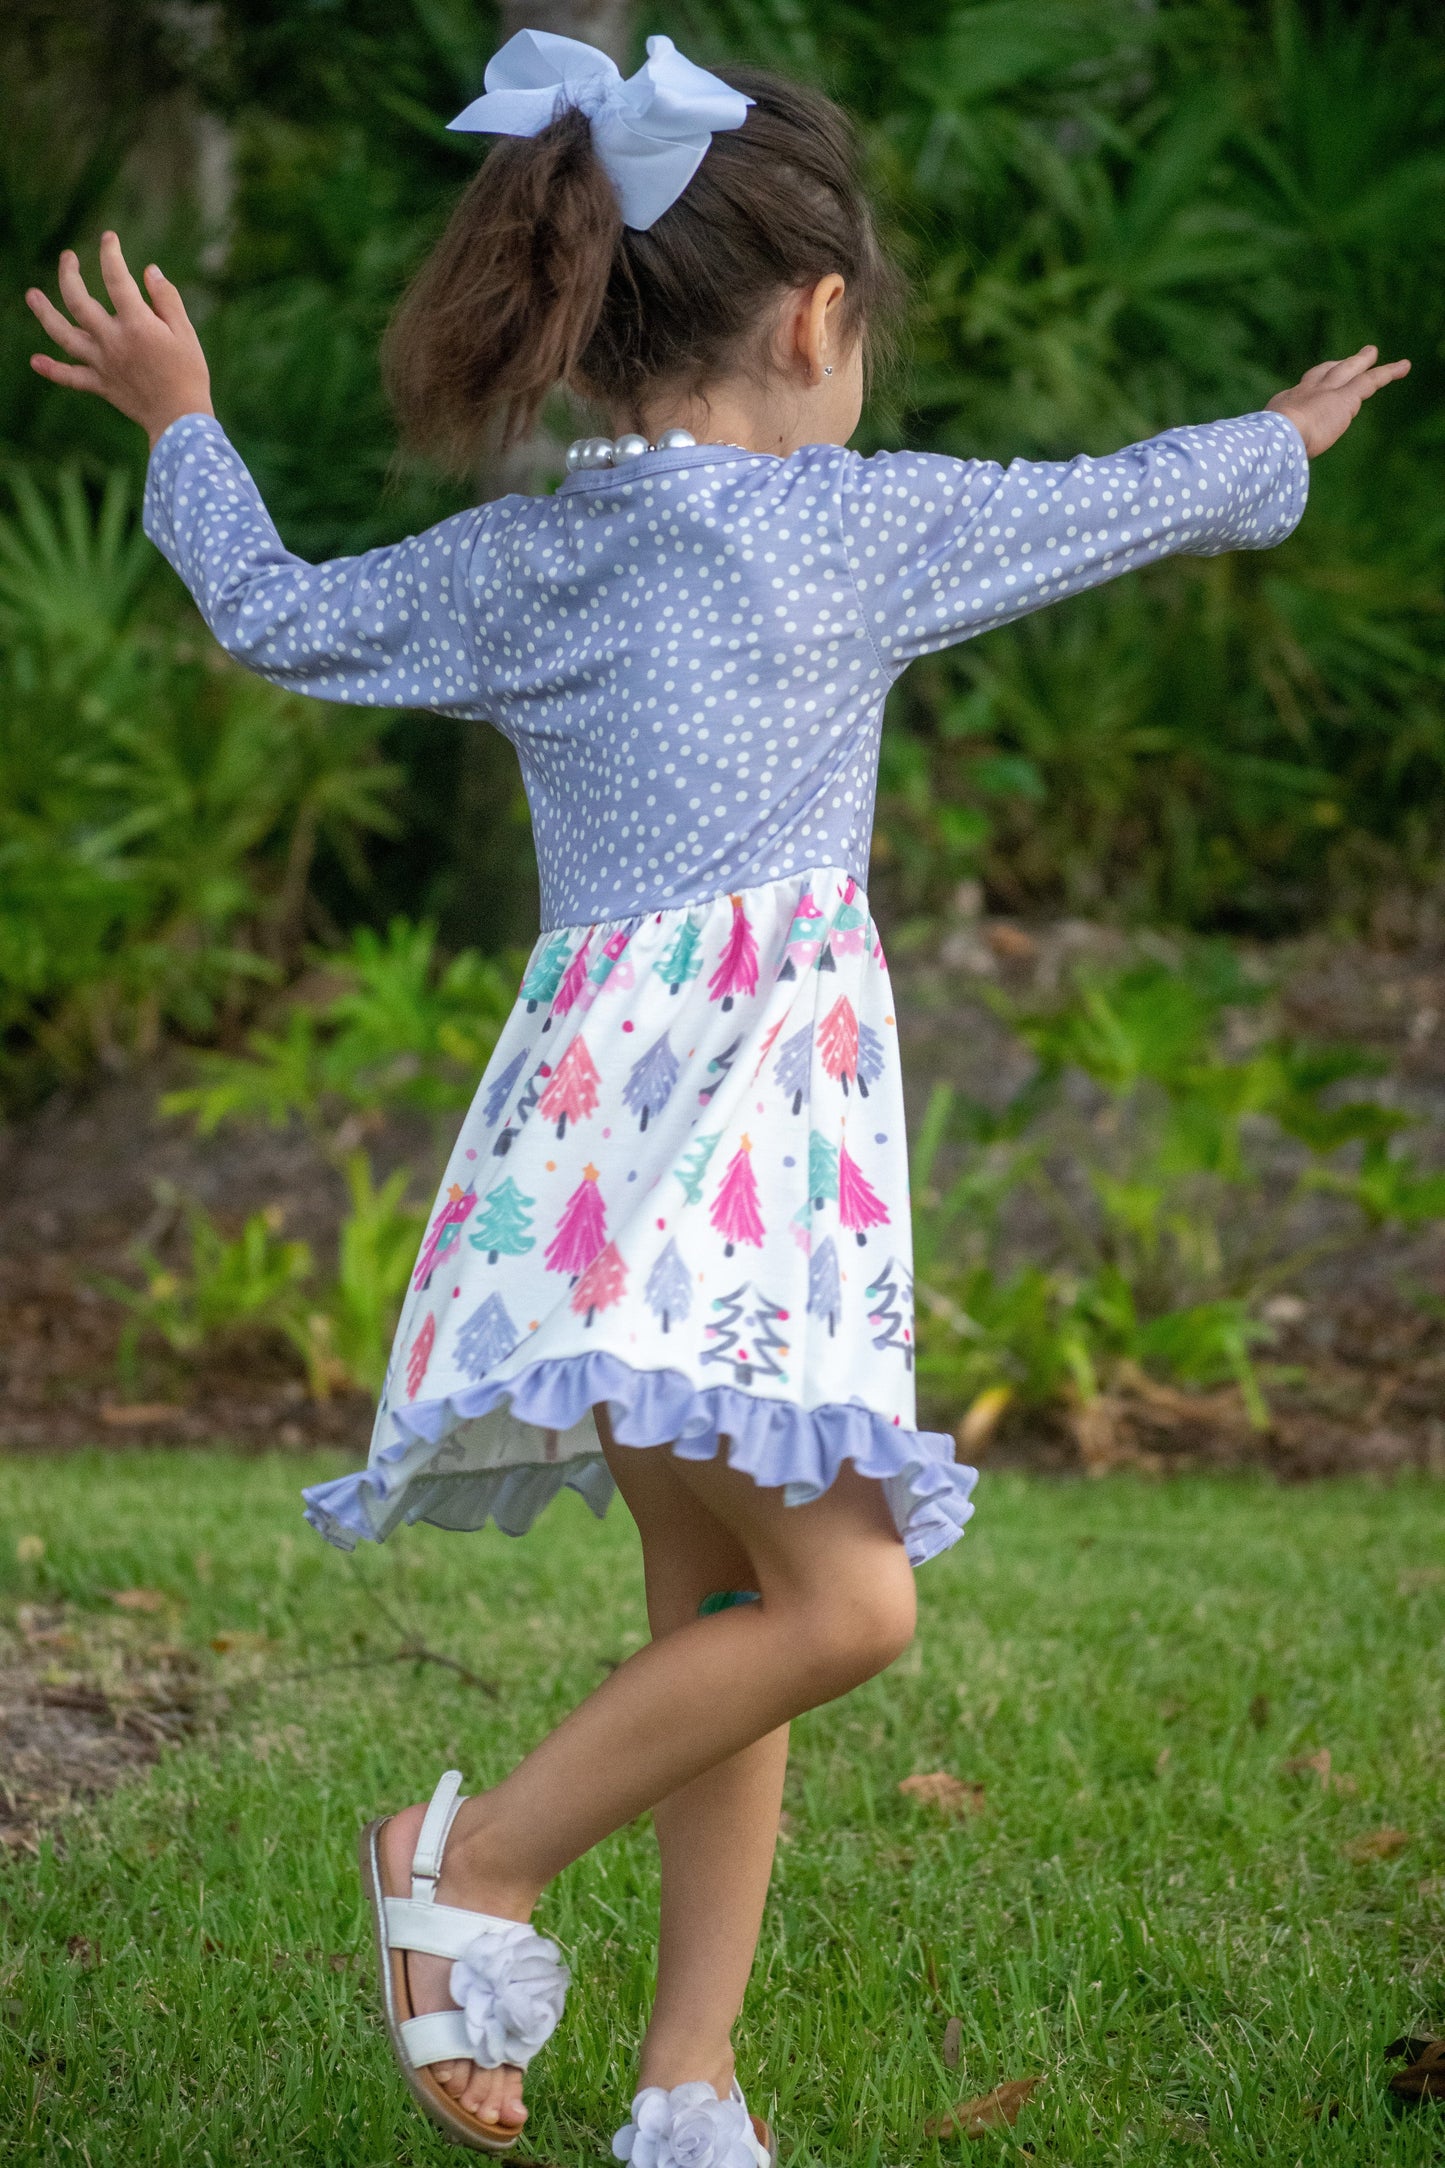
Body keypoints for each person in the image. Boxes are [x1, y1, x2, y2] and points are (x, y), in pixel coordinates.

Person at [26, 26, 1408, 2162]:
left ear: (590, 324)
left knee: (731, 1611)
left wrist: (186, 422)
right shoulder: (840, 535)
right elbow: (1103, 507)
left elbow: (276, 612)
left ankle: (688, 2091)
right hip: (749, 1157)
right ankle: (468, 1860)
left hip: (594, 1160)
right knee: (849, 1603)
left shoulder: (529, 555)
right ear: (821, 314)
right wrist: (1277, 439)